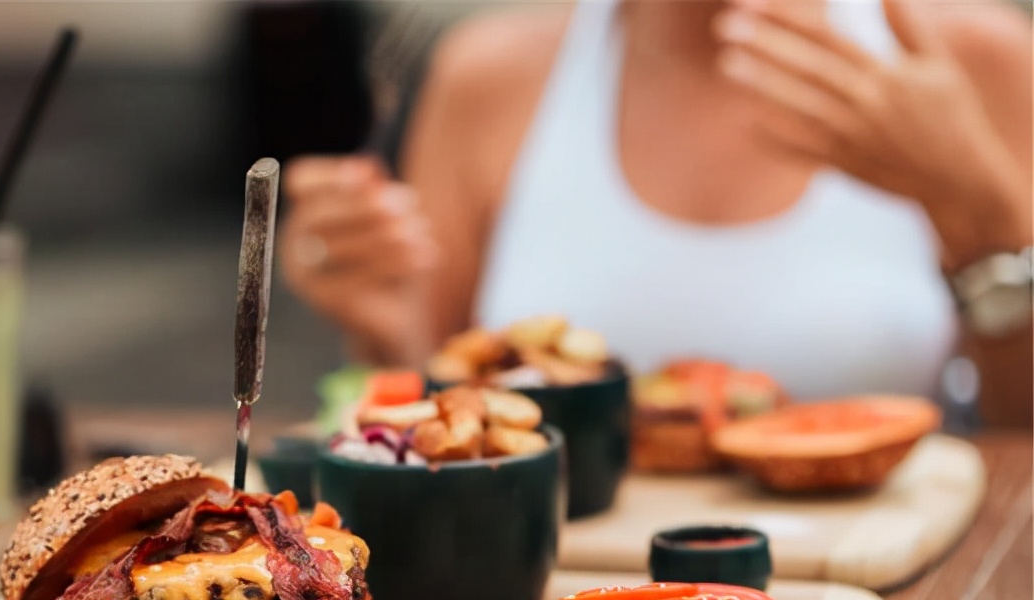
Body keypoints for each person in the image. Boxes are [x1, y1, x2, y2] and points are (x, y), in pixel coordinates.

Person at [278, 0, 1032, 426]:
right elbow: (437, 407)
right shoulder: (491, 77)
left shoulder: (973, 60)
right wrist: (375, 321)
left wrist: (985, 220)